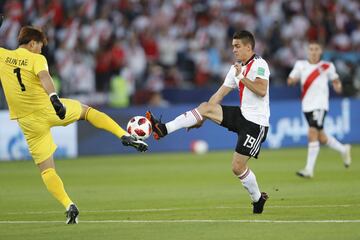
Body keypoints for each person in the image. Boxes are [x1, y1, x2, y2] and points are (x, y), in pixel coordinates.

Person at [0, 26, 148, 224]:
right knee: (88, 112)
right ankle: (123, 135)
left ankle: (68, 204)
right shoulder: (36, 58)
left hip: (27, 121)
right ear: (32, 43)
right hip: (48, 108)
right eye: (40, 47)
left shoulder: (3, 56)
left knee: (46, 169)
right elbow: (45, 77)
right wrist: (54, 98)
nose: (41, 51)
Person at [146, 30, 270, 214]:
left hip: (256, 124)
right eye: (232, 46)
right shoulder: (235, 68)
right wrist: (202, 117)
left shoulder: (260, 64)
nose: (234, 50)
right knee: (205, 105)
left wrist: (241, 76)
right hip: (242, 114)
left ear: (248, 47)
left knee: (237, 167)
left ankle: (258, 199)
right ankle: (164, 129)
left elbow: (261, 90)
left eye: (237, 46)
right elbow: (219, 95)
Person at [287, 41, 351, 178]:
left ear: (321, 51)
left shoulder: (327, 66)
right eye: (311, 49)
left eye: (316, 49)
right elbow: (291, 78)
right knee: (321, 137)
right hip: (306, 106)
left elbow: (336, 80)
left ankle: (309, 170)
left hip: (320, 105)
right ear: (307, 51)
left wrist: (338, 86)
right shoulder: (300, 65)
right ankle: (343, 149)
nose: (314, 51)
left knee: (312, 132)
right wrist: (291, 80)